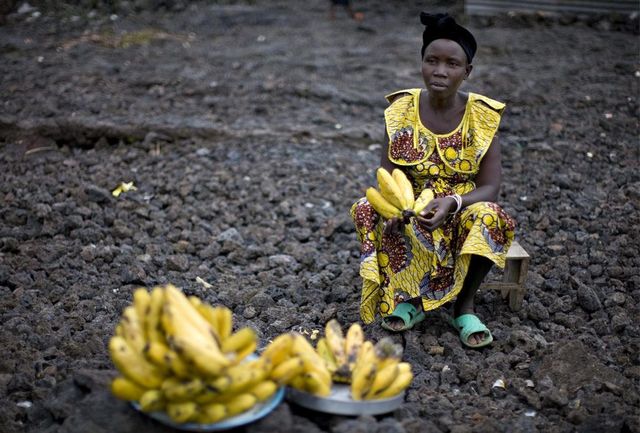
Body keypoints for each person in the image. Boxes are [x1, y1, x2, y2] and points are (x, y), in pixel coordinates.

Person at [350, 12, 516, 348]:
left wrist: (453, 202)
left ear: (467, 72)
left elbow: (491, 187)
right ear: (422, 63)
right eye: (432, 61)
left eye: (452, 64)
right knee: (368, 207)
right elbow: (388, 173)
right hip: (413, 205)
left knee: (492, 215)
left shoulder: (482, 116)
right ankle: (410, 299)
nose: (440, 71)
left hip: (459, 208)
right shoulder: (400, 110)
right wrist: (401, 207)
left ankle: (463, 306)